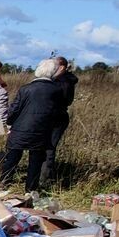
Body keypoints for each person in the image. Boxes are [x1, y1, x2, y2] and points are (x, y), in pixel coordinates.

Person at [0, 58, 66, 194]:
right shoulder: (57, 90)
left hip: (20, 128)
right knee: (35, 161)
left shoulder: (26, 89)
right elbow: (58, 112)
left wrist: (9, 123)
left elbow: (15, 108)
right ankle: (31, 189)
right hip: (41, 130)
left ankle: (4, 183)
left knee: (12, 157)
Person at [40, 56, 78, 185]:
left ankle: (45, 179)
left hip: (56, 118)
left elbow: (65, 100)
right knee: (41, 147)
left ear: (61, 67)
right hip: (47, 116)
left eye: (54, 66)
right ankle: (40, 176)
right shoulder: (56, 80)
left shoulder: (65, 82)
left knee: (48, 147)